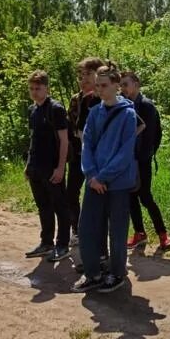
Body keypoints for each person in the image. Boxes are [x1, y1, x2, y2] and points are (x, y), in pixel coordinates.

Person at [72, 65, 138, 294]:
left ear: (116, 86)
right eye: (97, 85)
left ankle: (117, 273)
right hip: (94, 182)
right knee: (87, 228)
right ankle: (92, 273)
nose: (99, 90)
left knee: (117, 231)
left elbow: (125, 152)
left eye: (104, 85)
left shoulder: (128, 114)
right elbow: (86, 144)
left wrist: (103, 176)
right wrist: (91, 175)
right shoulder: (95, 112)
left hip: (117, 183)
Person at [121, 71, 170, 252]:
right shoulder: (122, 104)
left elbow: (152, 135)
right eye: (121, 85)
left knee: (145, 196)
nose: (123, 88)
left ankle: (163, 234)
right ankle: (139, 234)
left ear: (136, 84)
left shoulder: (146, 106)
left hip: (141, 159)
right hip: (127, 160)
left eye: (125, 84)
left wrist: (145, 155)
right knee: (130, 196)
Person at [23, 70, 72, 262]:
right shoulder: (32, 110)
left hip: (53, 167)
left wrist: (60, 168)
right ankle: (46, 242)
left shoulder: (56, 109)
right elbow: (33, 139)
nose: (35, 92)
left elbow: (64, 141)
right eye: (32, 88)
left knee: (60, 206)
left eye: (38, 88)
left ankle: (63, 245)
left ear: (47, 88)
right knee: (43, 205)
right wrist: (28, 165)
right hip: (36, 167)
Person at [67, 58, 103, 248]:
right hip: (78, 156)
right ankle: (77, 231)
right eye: (80, 76)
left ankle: (97, 238)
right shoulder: (76, 99)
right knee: (71, 193)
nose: (83, 80)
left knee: (95, 197)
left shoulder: (105, 98)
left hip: (98, 159)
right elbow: (70, 126)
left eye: (88, 74)